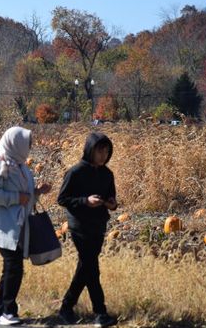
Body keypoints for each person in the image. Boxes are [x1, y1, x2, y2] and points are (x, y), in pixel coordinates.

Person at [0, 126, 52, 326]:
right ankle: (8, 311)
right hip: (3, 226)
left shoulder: (20, 166)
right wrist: (15, 198)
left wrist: (37, 192)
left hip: (18, 225)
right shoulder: (0, 164)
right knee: (14, 267)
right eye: (27, 143)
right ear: (15, 143)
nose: (29, 146)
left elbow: (25, 197)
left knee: (10, 268)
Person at [56, 132, 118, 327]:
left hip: (98, 225)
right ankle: (100, 313)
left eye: (107, 151)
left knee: (86, 267)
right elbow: (62, 199)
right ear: (90, 150)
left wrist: (111, 204)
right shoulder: (75, 172)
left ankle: (66, 307)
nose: (103, 155)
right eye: (100, 151)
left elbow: (112, 199)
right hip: (79, 225)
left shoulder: (107, 174)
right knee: (92, 267)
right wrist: (85, 201)